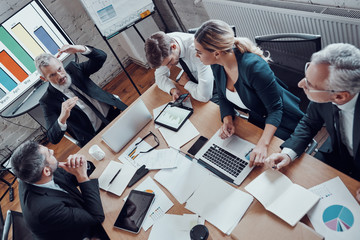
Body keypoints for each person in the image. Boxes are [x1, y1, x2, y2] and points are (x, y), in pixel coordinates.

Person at [194, 19, 304, 167]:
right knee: (239, 160)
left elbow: (276, 109)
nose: (196, 56)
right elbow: (222, 94)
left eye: (199, 52)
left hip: (284, 122)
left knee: (268, 166)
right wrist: (227, 118)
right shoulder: (217, 65)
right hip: (258, 118)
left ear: (217, 53)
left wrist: (263, 145)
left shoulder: (254, 68)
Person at [265, 43, 360, 202]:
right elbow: (309, 123)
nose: (300, 84)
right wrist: (288, 154)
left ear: (340, 97)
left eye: (310, 84)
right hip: (336, 154)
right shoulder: (327, 91)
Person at [10, 141, 109, 240]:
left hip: (77, 214)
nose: (52, 151)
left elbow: (67, 178)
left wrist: (82, 165)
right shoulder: (45, 210)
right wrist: (82, 176)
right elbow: (96, 217)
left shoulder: (34, 173)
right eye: (49, 153)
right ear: (47, 171)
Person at [36, 45, 127, 147]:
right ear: (44, 79)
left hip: (115, 113)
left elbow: (101, 57)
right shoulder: (48, 101)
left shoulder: (74, 69)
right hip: (95, 136)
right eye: (52, 75)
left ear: (61, 63)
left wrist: (81, 49)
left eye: (59, 69)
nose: (60, 76)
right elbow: (53, 138)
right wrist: (62, 117)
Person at [145, 31, 215, 102]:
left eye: (170, 62)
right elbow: (159, 77)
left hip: (216, 80)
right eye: (165, 65)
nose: (169, 67)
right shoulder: (162, 46)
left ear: (173, 47)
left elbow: (204, 96)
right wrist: (172, 89)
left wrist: (187, 83)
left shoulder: (196, 51)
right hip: (196, 80)